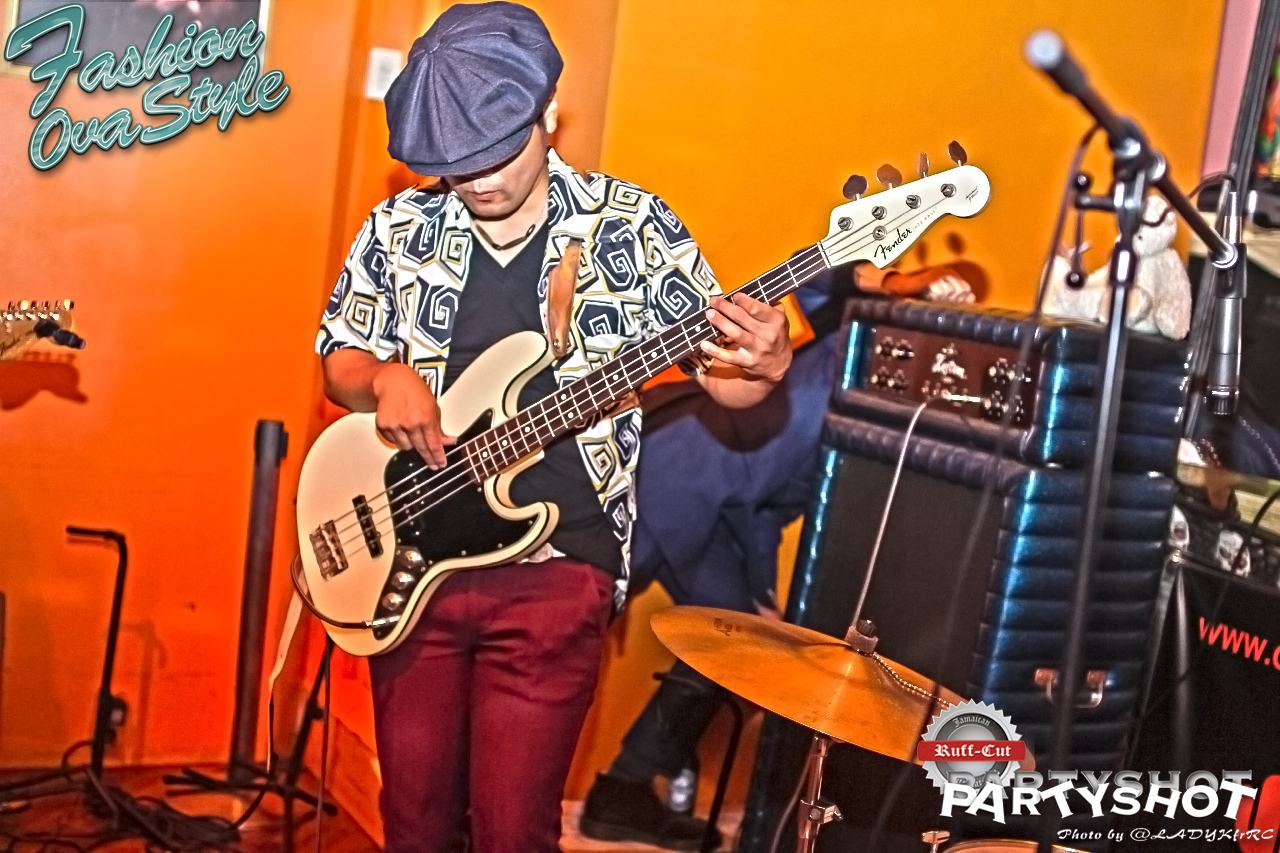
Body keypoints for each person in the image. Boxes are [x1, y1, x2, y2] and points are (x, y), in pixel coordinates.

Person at [313, 4, 792, 852]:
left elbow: (723, 380)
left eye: (499, 151)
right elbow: (339, 358)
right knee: (414, 823)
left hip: (557, 564)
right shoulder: (397, 228)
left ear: (549, 115)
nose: (480, 179)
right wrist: (384, 376)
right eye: (456, 165)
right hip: (410, 564)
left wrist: (762, 366)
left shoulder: (632, 228)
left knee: (514, 831)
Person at [581, 261, 974, 850]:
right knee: (568, 626)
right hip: (673, 471)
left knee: (737, 641)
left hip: (717, 513)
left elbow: (767, 505)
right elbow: (818, 279)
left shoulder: (885, 427)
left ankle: (624, 789)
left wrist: (762, 593)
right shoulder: (853, 331)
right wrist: (900, 284)